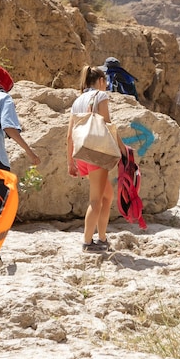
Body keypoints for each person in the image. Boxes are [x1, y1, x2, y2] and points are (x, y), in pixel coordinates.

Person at [67, 65, 124, 252]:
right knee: (96, 200)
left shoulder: (77, 101)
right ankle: (87, 242)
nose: (106, 86)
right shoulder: (101, 96)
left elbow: (69, 135)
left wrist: (70, 162)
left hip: (81, 153)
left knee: (107, 195)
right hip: (96, 153)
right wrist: (123, 148)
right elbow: (107, 125)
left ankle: (102, 238)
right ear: (100, 81)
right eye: (105, 82)